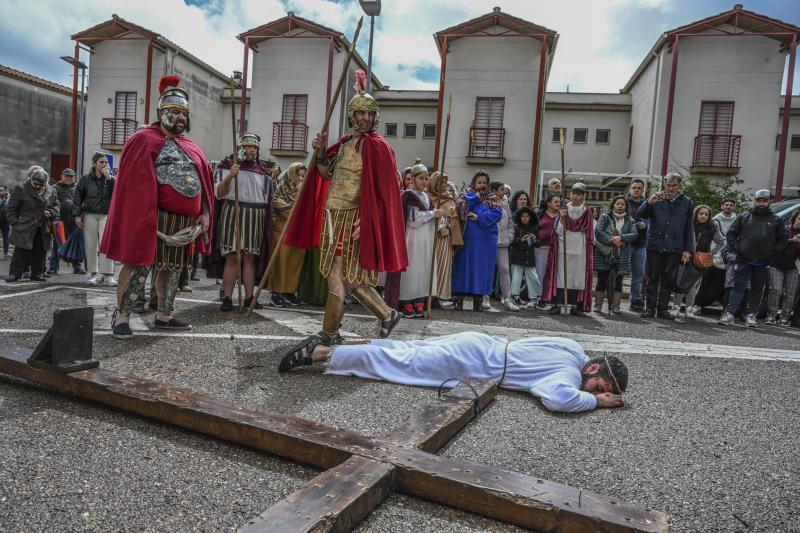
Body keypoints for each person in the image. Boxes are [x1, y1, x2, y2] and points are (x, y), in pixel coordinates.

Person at [281, 69, 406, 356]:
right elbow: (326, 174)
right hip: (332, 215)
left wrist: (367, 219)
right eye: (360, 113)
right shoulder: (346, 144)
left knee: (337, 276)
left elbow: (385, 192)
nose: (364, 118)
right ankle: (386, 314)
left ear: (375, 117)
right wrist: (321, 152)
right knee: (346, 277)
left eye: (369, 114)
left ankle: (328, 334)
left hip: (352, 218)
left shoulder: (379, 147)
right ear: (352, 116)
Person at [101, 75, 214, 339]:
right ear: (161, 113)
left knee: (173, 269)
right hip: (152, 218)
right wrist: (145, 217)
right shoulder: (144, 139)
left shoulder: (191, 145)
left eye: (183, 113)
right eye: (174, 112)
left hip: (185, 223)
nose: (180, 118)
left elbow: (205, 184)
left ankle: (164, 314)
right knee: (138, 266)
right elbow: (134, 186)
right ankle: (121, 316)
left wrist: (206, 212)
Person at [278, 331, 627, 413]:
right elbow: (558, 399)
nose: (597, 390)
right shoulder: (567, 375)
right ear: (593, 367)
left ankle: (349, 340)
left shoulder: (571, 347)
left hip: (480, 342)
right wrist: (598, 404)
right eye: (600, 385)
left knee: (409, 350)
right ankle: (321, 352)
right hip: (476, 363)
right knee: (400, 365)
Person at [208, 132, 273, 311]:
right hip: (233, 211)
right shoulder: (227, 166)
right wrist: (230, 176)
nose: (251, 150)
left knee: (249, 257)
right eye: (248, 147)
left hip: (255, 215)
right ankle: (227, 298)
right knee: (232, 257)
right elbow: (219, 193)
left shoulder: (263, 172)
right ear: (240, 148)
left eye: (254, 147)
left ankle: (249, 298)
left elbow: (267, 200)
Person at [719, 190, 786, 327]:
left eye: (765, 201)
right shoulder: (744, 216)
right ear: (755, 201)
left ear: (769, 202)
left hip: (763, 262)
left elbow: (782, 241)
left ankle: (751, 316)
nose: (761, 203)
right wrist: (738, 249)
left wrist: (771, 252)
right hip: (743, 260)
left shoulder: (776, 220)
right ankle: (729, 314)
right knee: (738, 288)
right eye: (759, 200)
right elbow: (731, 235)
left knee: (757, 290)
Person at [636, 173, 694, 320]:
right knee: (652, 278)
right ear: (664, 184)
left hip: (674, 246)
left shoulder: (687, 202)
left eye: (674, 185)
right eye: (668, 185)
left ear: (680, 185)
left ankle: (662, 310)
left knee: (668, 279)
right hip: (655, 244)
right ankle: (650, 308)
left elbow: (689, 227)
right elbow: (641, 213)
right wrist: (649, 202)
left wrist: (688, 249)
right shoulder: (656, 198)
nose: (671, 188)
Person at [452, 170, 503, 311]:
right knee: (464, 267)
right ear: (474, 182)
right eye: (479, 182)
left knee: (482, 269)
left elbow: (497, 214)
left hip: (486, 242)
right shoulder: (466, 194)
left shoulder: (493, 198)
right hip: (467, 239)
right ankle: (458, 299)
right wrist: (475, 197)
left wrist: (479, 216)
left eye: (484, 183)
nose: (481, 185)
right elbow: (461, 209)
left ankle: (478, 300)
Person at [544, 182, 594, 316]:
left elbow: (590, 233)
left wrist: (589, 249)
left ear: (583, 195)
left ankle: (574, 306)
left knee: (577, 278)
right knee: (561, 276)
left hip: (580, 250)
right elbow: (557, 231)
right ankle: (557, 304)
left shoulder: (587, 211)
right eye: (573, 193)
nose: (575, 196)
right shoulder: (563, 208)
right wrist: (561, 218)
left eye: (579, 194)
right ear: (569, 193)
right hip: (563, 247)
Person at [398, 162, 439, 317]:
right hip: (414, 238)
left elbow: (432, 214)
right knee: (413, 269)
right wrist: (434, 214)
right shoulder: (408, 195)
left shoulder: (427, 196)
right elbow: (413, 220)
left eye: (426, 178)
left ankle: (419, 301)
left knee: (424, 269)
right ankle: (406, 301)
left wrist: (439, 219)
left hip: (426, 238)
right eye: (421, 178)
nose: (424, 181)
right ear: (413, 179)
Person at [5, 169, 59, 282]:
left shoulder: (52, 190)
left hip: (43, 225)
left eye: (41, 185)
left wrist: (52, 212)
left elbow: (57, 206)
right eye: (35, 184)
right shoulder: (21, 188)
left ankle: (37, 274)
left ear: (46, 182)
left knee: (40, 250)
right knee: (21, 251)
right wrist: (15, 222)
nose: (37, 187)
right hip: (24, 225)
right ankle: (15, 274)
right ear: (31, 180)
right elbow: (11, 208)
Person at [268, 162, 307, 307]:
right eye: (298, 175)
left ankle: (290, 291)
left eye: (303, 175)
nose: (301, 178)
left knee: (295, 262)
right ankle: (277, 292)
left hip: (298, 232)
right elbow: (281, 206)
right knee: (281, 261)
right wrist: (296, 202)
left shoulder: (304, 192)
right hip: (282, 230)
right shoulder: (281, 189)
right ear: (291, 174)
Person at [74, 152, 117, 286]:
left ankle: (108, 275)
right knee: (90, 245)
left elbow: (118, 192)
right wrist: (77, 215)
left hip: (106, 215)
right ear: (94, 163)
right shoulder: (85, 179)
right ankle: (92, 274)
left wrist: (109, 178)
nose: (104, 164)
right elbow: (77, 197)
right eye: (101, 162)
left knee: (106, 244)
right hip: (90, 214)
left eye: (106, 162)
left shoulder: (111, 179)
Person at [674, 205, 723, 319]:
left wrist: (711, 253)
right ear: (696, 214)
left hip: (700, 260)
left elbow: (721, 242)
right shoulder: (688, 225)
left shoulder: (712, 227)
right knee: (680, 283)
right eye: (701, 213)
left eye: (706, 214)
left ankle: (689, 309)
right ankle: (676, 308)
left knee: (693, 286)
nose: (703, 216)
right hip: (685, 257)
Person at [593, 196, 638, 314]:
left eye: (623, 204)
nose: (620, 206)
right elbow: (598, 231)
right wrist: (611, 240)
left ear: (626, 207)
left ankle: (616, 306)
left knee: (619, 279)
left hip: (621, 253)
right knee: (602, 278)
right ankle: (598, 305)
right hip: (604, 253)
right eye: (617, 203)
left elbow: (634, 234)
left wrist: (621, 237)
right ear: (613, 205)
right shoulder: (605, 217)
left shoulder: (630, 220)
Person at [427, 171, 462, 308]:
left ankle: (438, 296)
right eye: (440, 182)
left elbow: (453, 218)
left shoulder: (449, 198)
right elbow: (428, 215)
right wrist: (439, 226)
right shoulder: (427, 197)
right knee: (430, 267)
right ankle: (427, 295)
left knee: (443, 267)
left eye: (444, 183)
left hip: (445, 238)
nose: (442, 185)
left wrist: (449, 227)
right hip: (431, 236)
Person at [764, 210, 800, 326]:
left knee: (790, 294)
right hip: (777, 264)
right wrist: (792, 240)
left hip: (793, 267)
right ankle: (771, 316)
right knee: (776, 290)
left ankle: (785, 318)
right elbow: (777, 245)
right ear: (795, 218)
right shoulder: (785, 229)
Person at [48, 168, 85, 275]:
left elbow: (82, 203)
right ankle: (53, 267)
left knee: (76, 244)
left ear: (74, 177)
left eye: (71, 176)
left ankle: (77, 267)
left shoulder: (79, 188)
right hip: (59, 220)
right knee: (57, 243)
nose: (69, 178)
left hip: (75, 220)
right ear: (61, 176)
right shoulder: (54, 188)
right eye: (66, 176)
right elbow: (50, 203)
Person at [492, 181, 518, 311]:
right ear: (493, 191)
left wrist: (509, 237)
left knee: (505, 269)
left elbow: (510, 221)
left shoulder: (505, 203)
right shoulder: (487, 202)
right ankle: (484, 298)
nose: (504, 192)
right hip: (490, 242)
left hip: (503, 242)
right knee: (488, 269)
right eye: (502, 190)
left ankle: (507, 298)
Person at [509, 205, 540, 308]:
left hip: (529, 256)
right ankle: (515, 297)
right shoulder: (516, 227)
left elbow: (538, 243)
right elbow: (512, 242)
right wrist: (520, 240)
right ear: (519, 217)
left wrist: (535, 240)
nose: (525, 218)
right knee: (516, 277)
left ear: (531, 217)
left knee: (532, 276)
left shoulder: (534, 228)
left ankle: (534, 298)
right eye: (523, 216)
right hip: (517, 256)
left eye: (527, 216)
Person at [625, 179, 648, 312]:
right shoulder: (623, 203)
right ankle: (614, 300)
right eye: (634, 187)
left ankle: (635, 300)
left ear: (643, 189)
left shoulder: (648, 204)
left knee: (638, 274)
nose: (636, 190)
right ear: (630, 189)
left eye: (639, 188)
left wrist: (646, 225)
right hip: (625, 243)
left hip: (641, 244)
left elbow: (653, 222)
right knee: (619, 273)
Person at [535, 194, 560, 308]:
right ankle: (538, 298)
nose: (558, 204)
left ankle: (549, 298)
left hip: (556, 251)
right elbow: (534, 227)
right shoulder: (540, 214)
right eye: (556, 201)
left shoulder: (561, 216)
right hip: (541, 249)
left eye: (559, 202)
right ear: (549, 203)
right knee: (540, 274)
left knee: (552, 275)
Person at [1, 186, 12, 257]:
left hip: (6, 221)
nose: (0, 192)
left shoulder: (10, 198)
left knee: (6, 237)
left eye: (1, 190)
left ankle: (6, 253)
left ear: (6, 190)